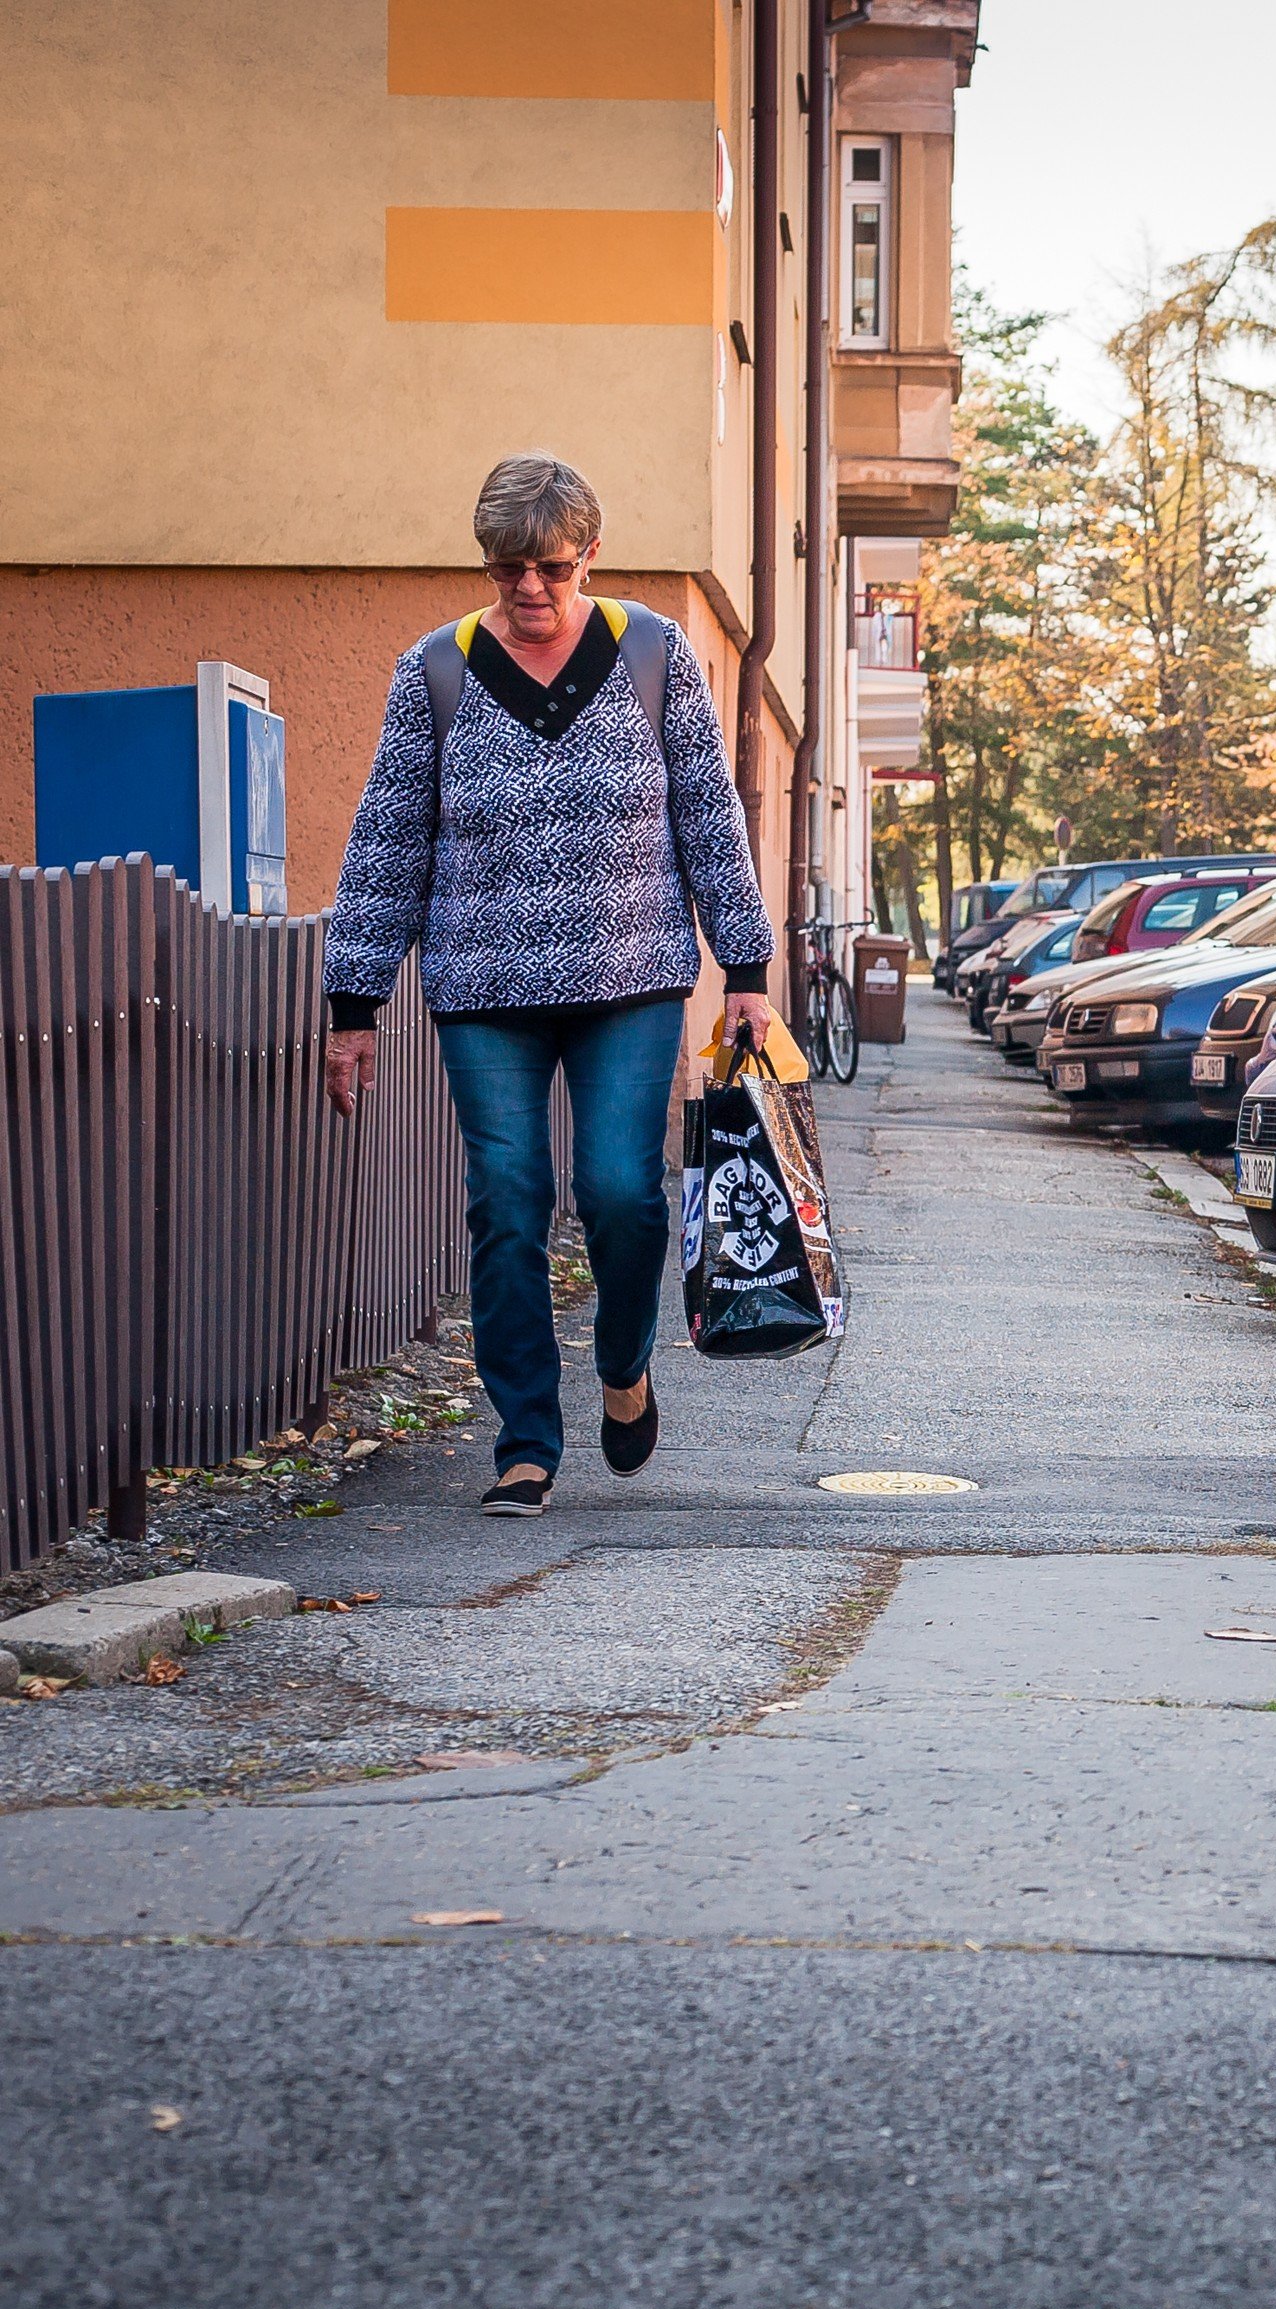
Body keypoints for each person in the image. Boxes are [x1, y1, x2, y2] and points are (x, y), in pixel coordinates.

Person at [320, 453, 780, 1515]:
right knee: (509, 1203)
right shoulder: (433, 670)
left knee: (621, 1193)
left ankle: (624, 1368)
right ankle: (525, 1439)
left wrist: (745, 970)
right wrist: (355, 1004)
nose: (529, 590)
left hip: (631, 976)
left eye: (552, 568)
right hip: (483, 988)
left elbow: (709, 814)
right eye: (506, 569)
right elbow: (388, 842)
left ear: (592, 554)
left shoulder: (656, 654)